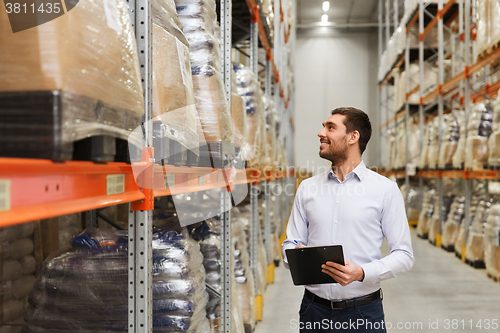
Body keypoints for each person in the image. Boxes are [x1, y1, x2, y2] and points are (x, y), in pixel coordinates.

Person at [282, 107, 414, 332]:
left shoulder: (385, 190)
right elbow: (289, 243)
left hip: (362, 312)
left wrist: (362, 273)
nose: (320, 133)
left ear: (353, 137)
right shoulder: (307, 188)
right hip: (314, 310)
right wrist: (298, 256)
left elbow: (404, 255)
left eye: (330, 127)